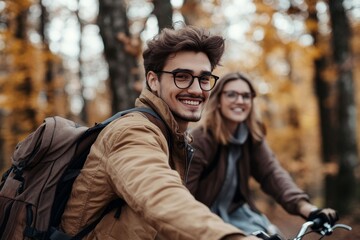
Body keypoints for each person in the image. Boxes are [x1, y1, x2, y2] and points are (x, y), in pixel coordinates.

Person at [60, 26, 260, 240]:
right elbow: (160, 195)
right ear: (153, 81)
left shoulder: (174, 137)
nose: (196, 89)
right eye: (181, 76)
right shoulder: (132, 131)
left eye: (204, 79)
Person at [187, 72, 339, 236]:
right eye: (231, 94)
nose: (239, 101)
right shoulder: (200, 140)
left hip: (240, 217)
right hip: (205, 221)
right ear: (218, 101)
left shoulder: (252, 137)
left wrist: (308, 209)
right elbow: (184, 198)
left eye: (246, 96)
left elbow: (272, 174)